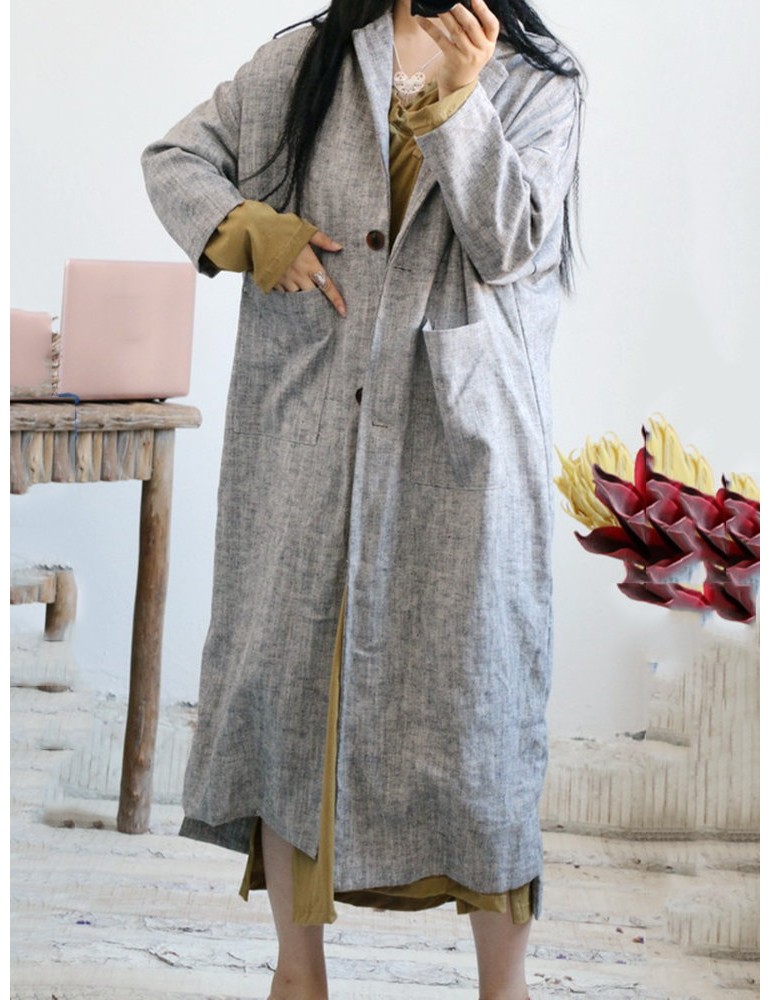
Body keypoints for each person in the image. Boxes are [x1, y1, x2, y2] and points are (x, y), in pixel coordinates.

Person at [142, 1, 583, 996]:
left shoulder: (540, 78)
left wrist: (460, 105)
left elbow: (514, 245)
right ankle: (297, 974)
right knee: (294, 687)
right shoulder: (308, 57)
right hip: (311, 418)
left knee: (479, 705)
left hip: (464, 436)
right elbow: (175, 159)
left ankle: (504, 985)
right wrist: (252, 231)